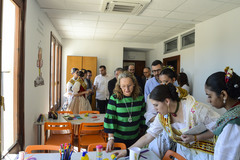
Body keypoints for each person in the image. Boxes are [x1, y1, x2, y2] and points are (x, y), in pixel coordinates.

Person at [114, 83, 220, 160]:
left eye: (156, 105)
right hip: (184, 153)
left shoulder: (195, 110)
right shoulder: (163, 116)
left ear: (167, 101)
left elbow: (220, 128)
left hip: (204, 153)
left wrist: (196, 138)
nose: (155, 109)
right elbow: (148, 136)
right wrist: (127, 151)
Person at [145, 67, 188, 158]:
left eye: (165, 81)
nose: (163, 84)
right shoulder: (156, 95)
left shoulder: (183, 95)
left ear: (173, 80)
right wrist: (162, 120)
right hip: (161, 130)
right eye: (161, 82)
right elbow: (150, 114)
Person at [104, 71, 146, 151]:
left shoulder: (140, 97)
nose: (126, 89)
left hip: (136, 139)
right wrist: (110, 138)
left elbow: (142, 115)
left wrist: (142, 131)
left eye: (129, 85)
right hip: (118, 140)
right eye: (123, 86)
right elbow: (110, 118)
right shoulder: (115, 98)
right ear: (119, 86)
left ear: (134, 84)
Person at [205, 67, 240, 160]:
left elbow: (224, 156)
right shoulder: (236, 111)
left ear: (223, 94)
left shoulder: (233, 123)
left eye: (209, 96)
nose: (208, 100)